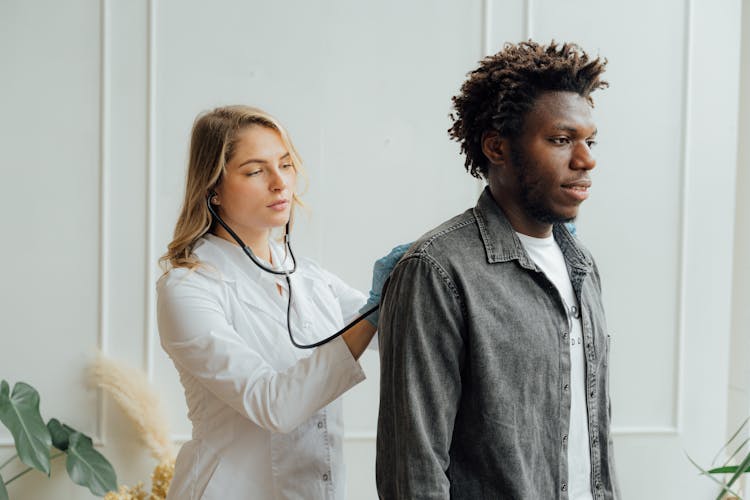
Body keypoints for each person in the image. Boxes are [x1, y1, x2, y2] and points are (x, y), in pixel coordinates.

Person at [376, 41, 620, 499]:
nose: (586, 159)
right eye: (561, 140)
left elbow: (593, 437)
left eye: (590, 141)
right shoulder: (435, 271)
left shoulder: (582, 266)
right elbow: (412, 469)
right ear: (497, 147)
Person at [157, 105, 405, 499]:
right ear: (213, 189)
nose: (280, 183)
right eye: (256, 171)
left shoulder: (308, 277)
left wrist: (425, 278)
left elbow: (400, 333)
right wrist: (376, 309)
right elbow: (273, 404)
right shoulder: (188, 288)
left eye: (286, 165)